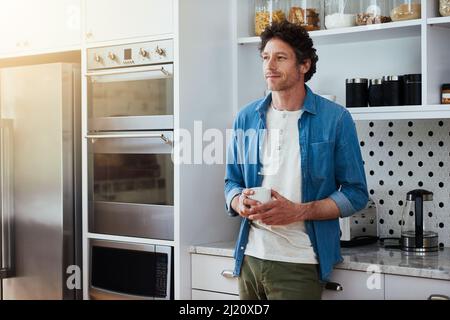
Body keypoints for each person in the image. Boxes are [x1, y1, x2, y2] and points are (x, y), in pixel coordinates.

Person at [224, 21, 368, 300]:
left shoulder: (336, 119)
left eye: (280, 57)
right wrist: (238, 201)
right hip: (249, 259)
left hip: (299, 262)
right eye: (266, 57)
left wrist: (298, 211)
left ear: (304, 65)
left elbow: (356, 194)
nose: (270, 65)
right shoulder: (246, 117)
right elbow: (232, 181)